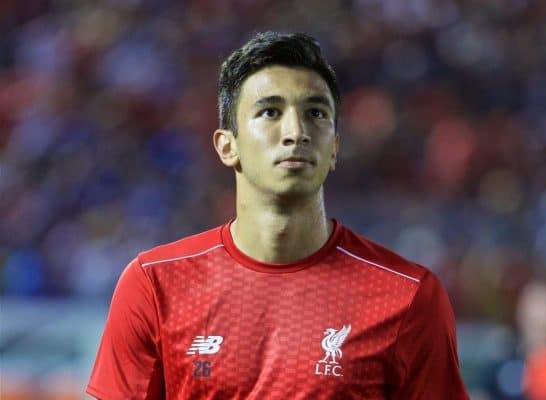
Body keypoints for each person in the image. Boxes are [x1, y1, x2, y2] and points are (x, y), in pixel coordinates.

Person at [86, 31, 468, 399]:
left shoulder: (407, 296)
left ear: (334, 147)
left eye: (315, 113)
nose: (296, 131)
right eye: (270, 111)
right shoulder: (155, 285)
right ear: (227, 146)